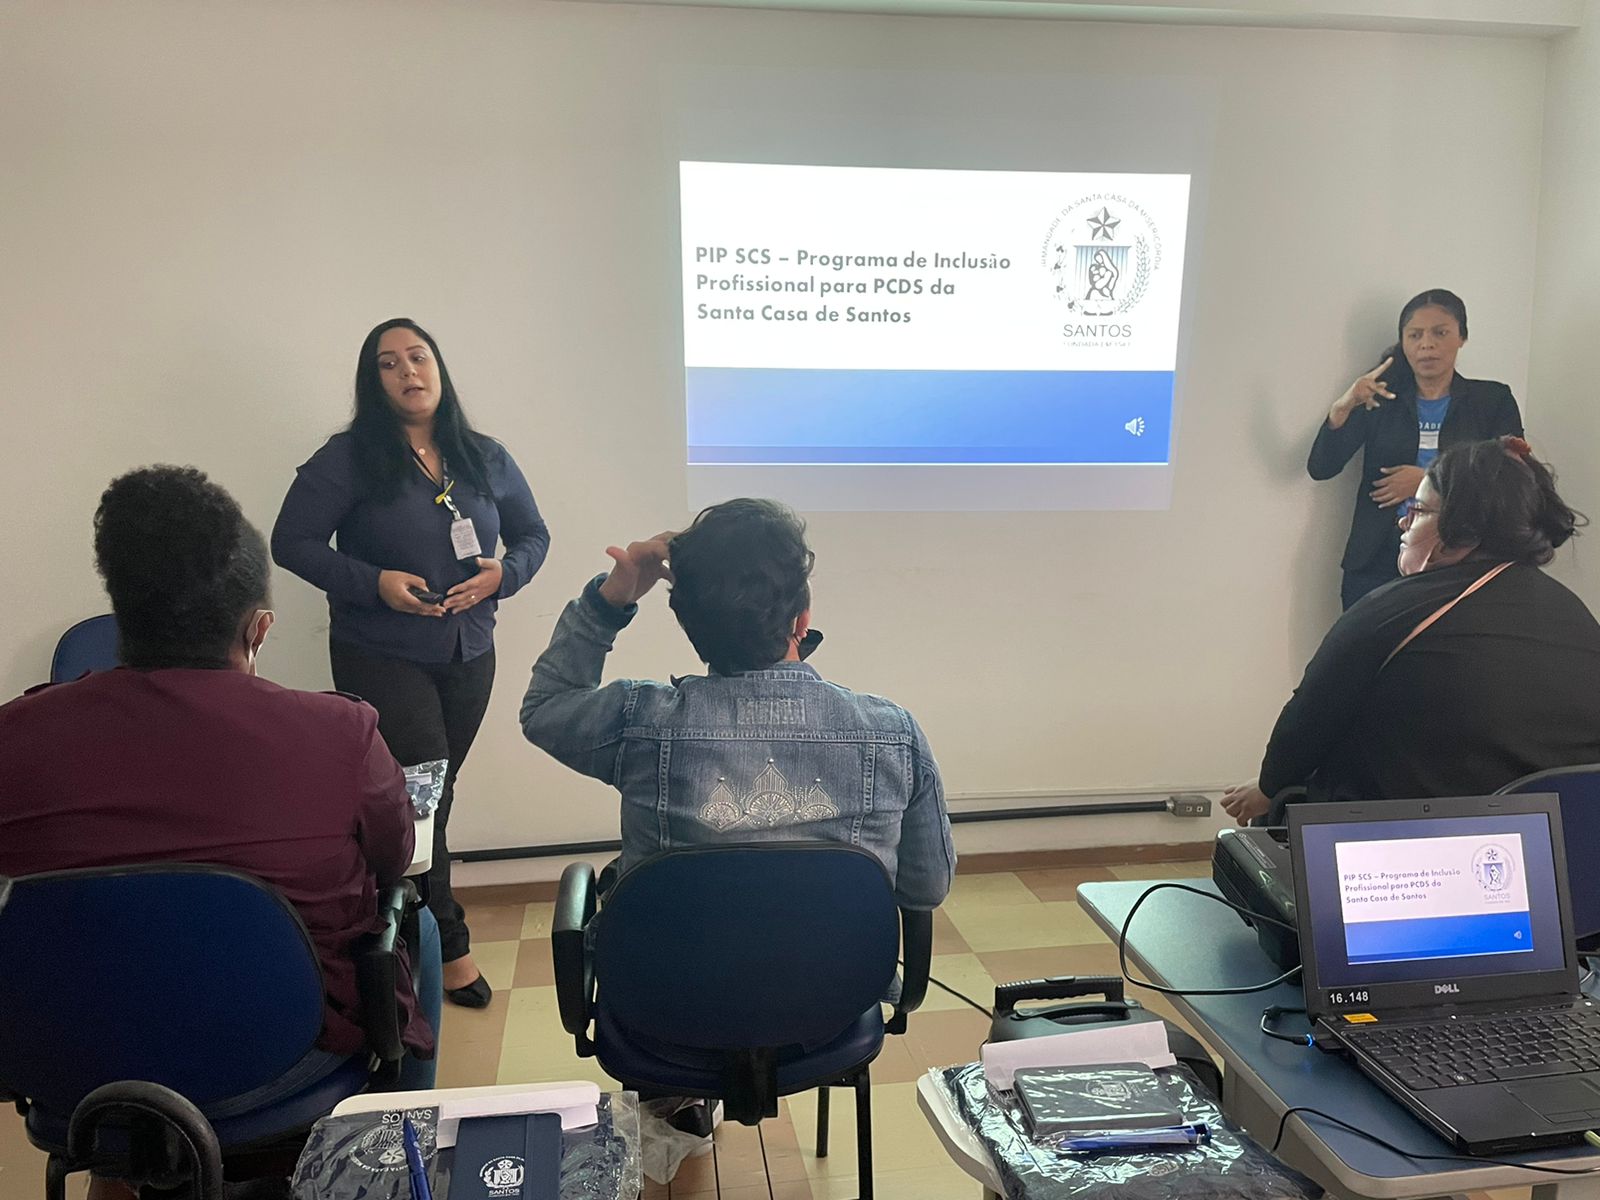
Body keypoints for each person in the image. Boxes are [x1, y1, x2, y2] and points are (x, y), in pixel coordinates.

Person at [0, 466, 440, 1113]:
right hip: (282, 1053)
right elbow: (393, 858)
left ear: (121, 615)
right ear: (258, 628)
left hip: (71, 1064)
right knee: (417, 923)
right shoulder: (340, 732)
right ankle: (387, 1142)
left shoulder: (14, 735)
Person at [273, 318, 550, 1009]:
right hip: (381, 654)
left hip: (469, 651)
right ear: (374, 382)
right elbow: (291, 541)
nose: (408, 372)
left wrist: (505, 575)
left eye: (418, 357)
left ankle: (391, 925)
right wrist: (374, 583)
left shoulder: (483, 455)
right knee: (419, 801)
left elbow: (533, 535)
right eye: (389, 363)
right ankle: (446, 947)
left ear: (439, 368)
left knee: (430, 799)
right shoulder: (347, 457)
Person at [518, 497, 955, 911]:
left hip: (668, 968)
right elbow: (926, 888)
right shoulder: (894, 735)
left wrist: (609, 601)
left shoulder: (637, 721)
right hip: (842, 971)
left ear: (689, 624)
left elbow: (545, 708)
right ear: (803, 619)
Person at [1223, 438, 1600, 824]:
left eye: (1417, 510)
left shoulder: (1395, 608)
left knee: (1282, 806)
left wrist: (1268, 788)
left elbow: (1308, 721)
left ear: (1464, 527)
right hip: (1562, 840)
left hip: (1418, 840)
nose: (1402, 522)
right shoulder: (1576, 615)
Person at [1308, 289, 1524, 609]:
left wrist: (1427, 481)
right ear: (1404, 342)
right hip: (1376, 559)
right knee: (1369, 642)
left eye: (1440, 333)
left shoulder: (1492, 401)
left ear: (1462, 337)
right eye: (1415, 335)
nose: (1427, 344)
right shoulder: (1380, 400)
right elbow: (1321, 468)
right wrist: (1343, 407)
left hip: (1459, 557)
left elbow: (1513, 475)